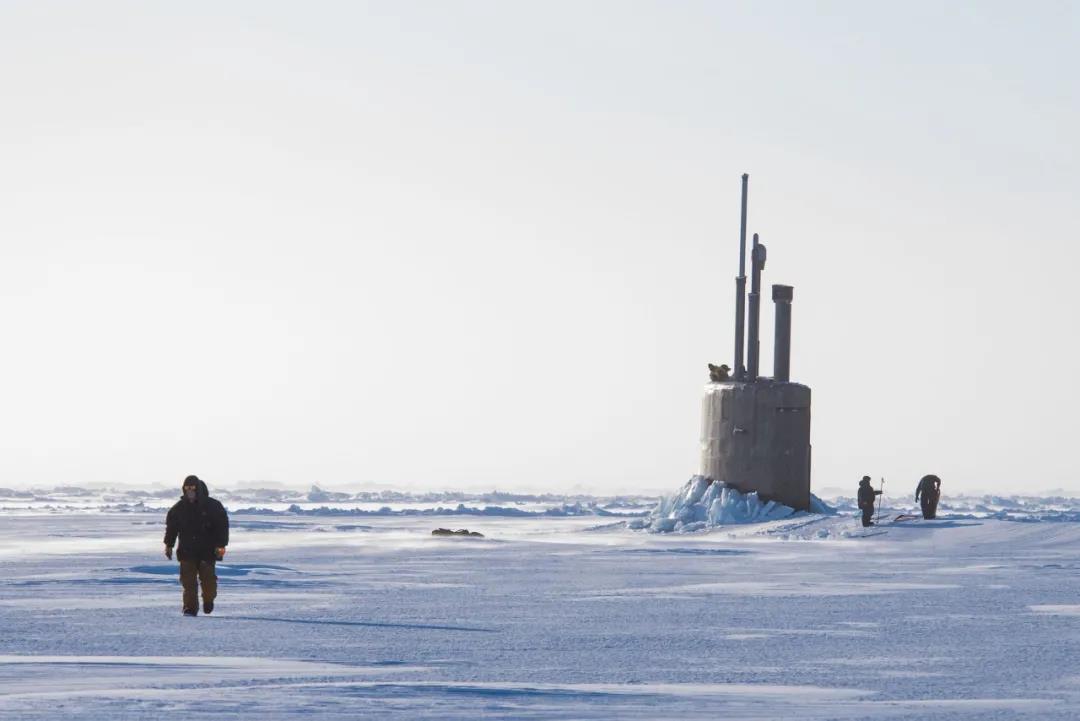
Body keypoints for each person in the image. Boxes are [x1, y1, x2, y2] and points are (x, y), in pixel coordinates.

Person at [164, 475, 229, 616]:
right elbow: (171, 527)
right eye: (187, 488)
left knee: (208, 581)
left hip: (208, 551)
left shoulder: (213, 506)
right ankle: (190, 608)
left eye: (193, 488)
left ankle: (208, 600)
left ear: (198, 489)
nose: (190, 491)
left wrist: (221, 545)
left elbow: (222, 526)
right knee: (188, 583)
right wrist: (169, 544)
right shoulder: (179, 508)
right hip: (187, 551)